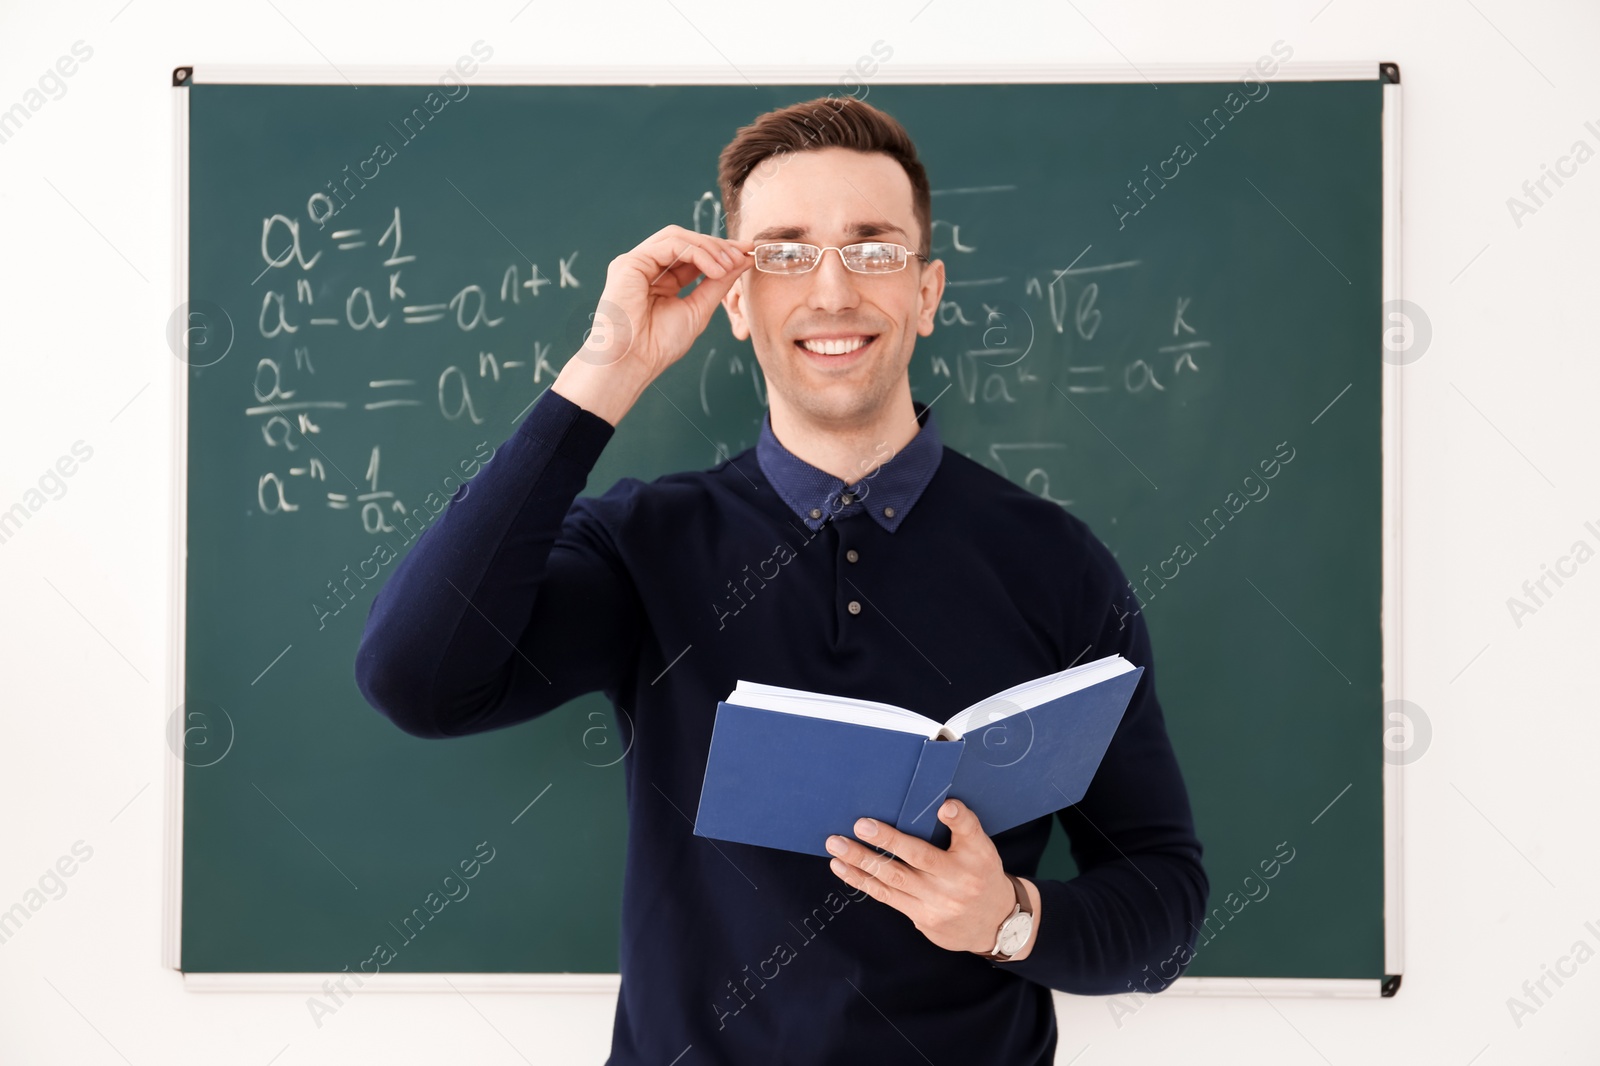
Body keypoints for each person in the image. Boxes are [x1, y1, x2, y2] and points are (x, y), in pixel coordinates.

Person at [355, 94, 1208, 1065]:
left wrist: (1006, 917)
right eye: (786, 251)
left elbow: (1163, 898)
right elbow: (414, 679)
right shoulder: (644, 544)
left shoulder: (1055, 561)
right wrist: (606, 371)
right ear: (733, 299)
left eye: (875, 247)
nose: (833, 290)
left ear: (926, 294)